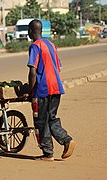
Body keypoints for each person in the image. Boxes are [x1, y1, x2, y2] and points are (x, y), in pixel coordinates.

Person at [27, 19, 76, 161]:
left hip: (43, 88)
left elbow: (32, 71)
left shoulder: (35, 46)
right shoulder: (51, 45)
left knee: (41, 121)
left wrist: (31, 91)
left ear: (30, 31)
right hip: (56, 87)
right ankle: (67, 140)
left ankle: (48, 153)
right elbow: (58, 67)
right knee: (51, 118)